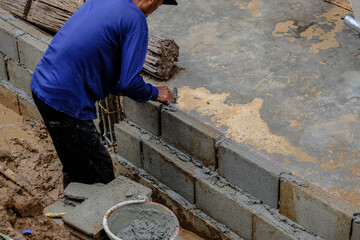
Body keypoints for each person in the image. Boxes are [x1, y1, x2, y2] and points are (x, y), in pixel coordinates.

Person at [30, 0, 177, 185]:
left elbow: (96, 54)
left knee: (74, 157)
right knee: (100, 173)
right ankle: (92, 207)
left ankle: (73, 195)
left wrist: (117, 87)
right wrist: (154, 92)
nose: (155, 10)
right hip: (66, 102)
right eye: (159, 4)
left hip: (42, 86)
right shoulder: (135, 20)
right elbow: (129, 82)